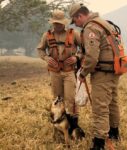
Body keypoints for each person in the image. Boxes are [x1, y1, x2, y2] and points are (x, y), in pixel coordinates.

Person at [69, 4, 120, 150]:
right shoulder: (104, 23)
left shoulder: (91, 27)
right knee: (112, 103)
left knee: (100, 108)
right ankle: (115, 133)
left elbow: (91, 57)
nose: (76, 25)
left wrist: (83, 73)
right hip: (114, 70)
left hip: (102, 73)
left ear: (79, 16)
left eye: (75, 21)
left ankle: (99, 143)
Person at [37, 9, 84, 137]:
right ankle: (59, 127)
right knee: (57, 99)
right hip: (54, 72)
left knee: (70, 99)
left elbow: (84, 49)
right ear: (52, 23)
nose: (57, 25)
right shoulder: (46, 35)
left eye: (59, 23)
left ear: (64, 23)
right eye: (55, 23)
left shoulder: (74, 34)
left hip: (69, 72)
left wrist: (77, 57)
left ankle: (74, 126)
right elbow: (40, 50)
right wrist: (47, 58)